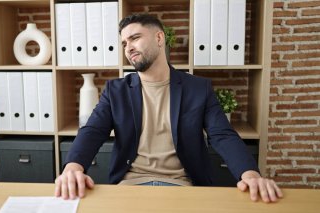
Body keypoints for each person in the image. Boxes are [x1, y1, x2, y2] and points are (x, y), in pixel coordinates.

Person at [54, 14, 283, 203]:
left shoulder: (198, 88)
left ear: (159, 38)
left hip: (183, 187)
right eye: (124, 43)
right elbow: (93, 130)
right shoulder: (116, 90)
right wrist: (73, 168)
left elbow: (222, 134)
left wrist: (251, 175)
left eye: (134, 38)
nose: (128, 47)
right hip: (129, 187)